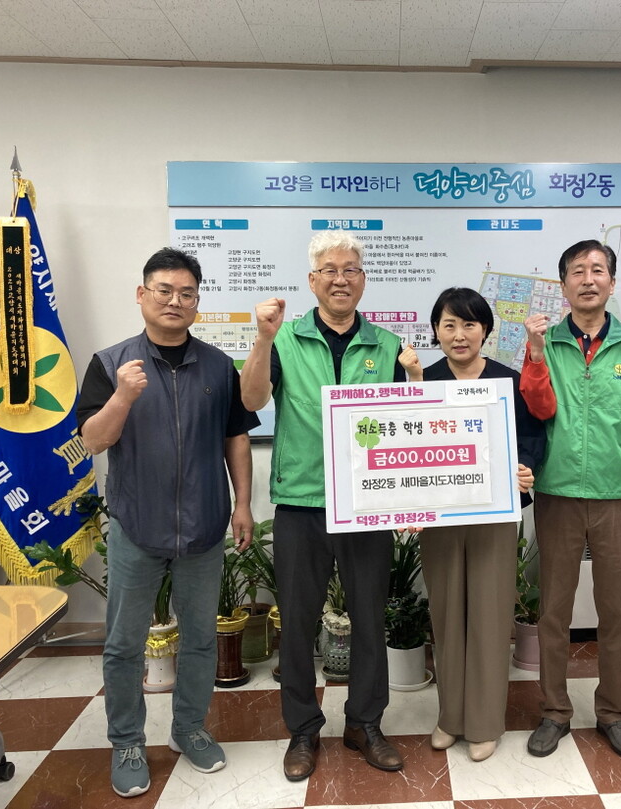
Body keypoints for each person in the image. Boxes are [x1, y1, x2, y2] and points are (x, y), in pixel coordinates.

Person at [77, 247, 258, 798]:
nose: (175, 301)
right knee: (124, 644)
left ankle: (189, 728)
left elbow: (236, 437)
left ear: (197, 303)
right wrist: (123, 397)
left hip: (203, 526)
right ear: (142, 295)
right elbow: (93, 440)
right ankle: (127, 741)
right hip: (137, 524)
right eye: (164, 290)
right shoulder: (111, 363)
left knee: (201, 639)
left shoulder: (218, 366)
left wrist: (243, 503)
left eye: (186, 294)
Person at [240, 232, 419, 782]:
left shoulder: (387, 345)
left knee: (369, 617)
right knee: (297, 622)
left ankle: (365, 723)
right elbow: (251, 400)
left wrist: (414, 378)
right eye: (330, 270)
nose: (341, 279)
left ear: (363, 280)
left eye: (351, 269)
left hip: (367, 506)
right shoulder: (285, 338)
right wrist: (262, 340)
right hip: (302, 501)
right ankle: (302, 729)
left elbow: (406, 426)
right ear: (312, 280)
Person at [519, 240, 621, 760]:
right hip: (557, 492)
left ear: (612, 283)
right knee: (553, 611)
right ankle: (554, 712)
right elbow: (539, 408)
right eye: (577, 272)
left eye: (598, 270)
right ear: (563, 286)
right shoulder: (545, 342)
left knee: (616, 611)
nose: (588, 279)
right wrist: (536, 354)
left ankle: (613, 713)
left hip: (617, 495)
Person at [404, 287, 545, 762]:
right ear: (436, 331)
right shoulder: (422, 379)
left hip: (494, 515)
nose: (459, 334)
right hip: (441, 518)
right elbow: (402, 448)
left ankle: (484, 723)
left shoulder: (509, 381)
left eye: (469, 324)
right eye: (449, 325)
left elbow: (532, 437)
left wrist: (526, 468)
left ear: (485, 330)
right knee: (446, 616)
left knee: (489, 614)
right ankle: (451, 717)